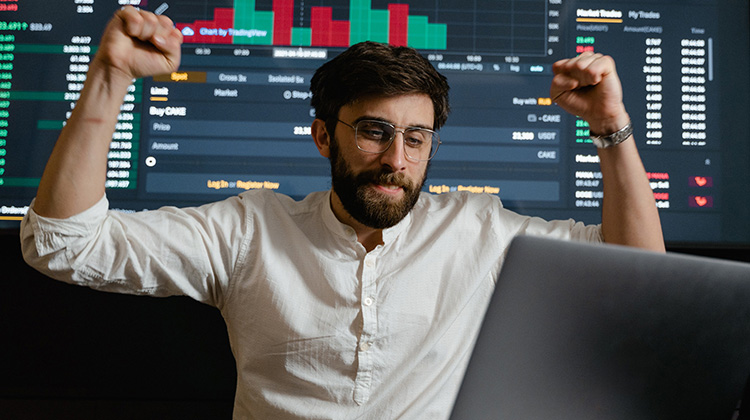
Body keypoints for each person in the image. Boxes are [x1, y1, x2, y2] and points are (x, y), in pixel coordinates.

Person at [20, 6, 664, 419]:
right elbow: (63, 244)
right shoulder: (248, 230)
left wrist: (611, 127)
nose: (396, 158)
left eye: (416, 138)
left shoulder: (481, 232)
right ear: (325, 137)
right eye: (374, 132)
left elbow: (640, 276)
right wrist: (110, 74)